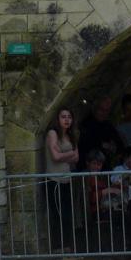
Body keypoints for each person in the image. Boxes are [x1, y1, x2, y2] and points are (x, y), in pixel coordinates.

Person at [43, 107, 78, 251]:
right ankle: (60, 248)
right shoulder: (53, 134)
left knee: (68, 215)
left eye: (69, 116)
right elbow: (55, 157)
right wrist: (69, 153)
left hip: (66, 180)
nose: (66, 120)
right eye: (63, 116)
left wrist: (64, 153)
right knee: (59, 216)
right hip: (54, 180)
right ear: (57, 119)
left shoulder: (71, 136)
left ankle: (68, 247)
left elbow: (76, 158)